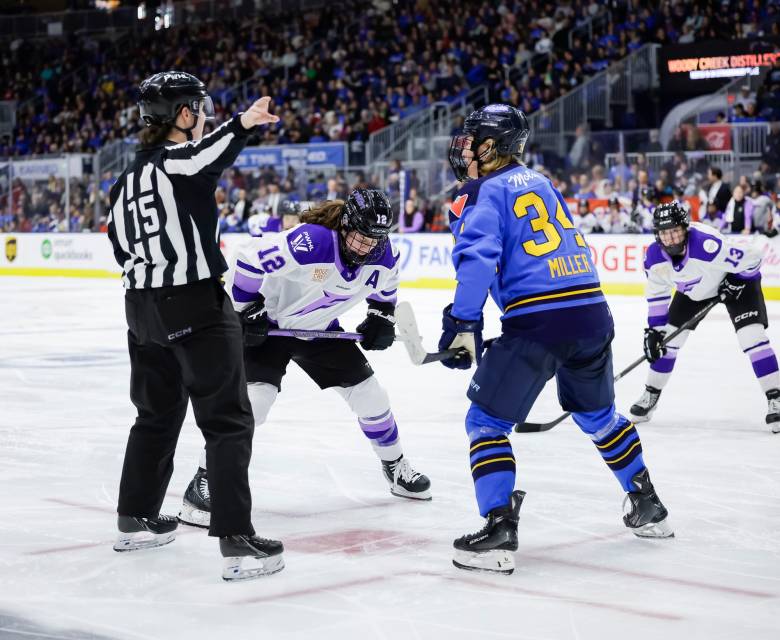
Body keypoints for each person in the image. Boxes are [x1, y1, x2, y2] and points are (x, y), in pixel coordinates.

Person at [440, 104, 673, 576]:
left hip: (538, 322)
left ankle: (499, 528)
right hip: (591, 312)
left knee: (485, 422)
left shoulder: (480, 190)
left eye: (472, 139)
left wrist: (463, 321)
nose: (463, 147)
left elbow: (478, 259)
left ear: (491, 145)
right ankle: (647, 503)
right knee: (599, 416)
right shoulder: (541, 181)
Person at [106, 70, 284, 581]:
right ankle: (236, 539)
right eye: (197, 108)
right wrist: (245, 122)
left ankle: (135, 517)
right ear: (183, 114)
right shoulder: (177, 160)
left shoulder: (123, 181)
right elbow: (210, 153)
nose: (202, 114)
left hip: (140, 308)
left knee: (155, 415)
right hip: (194, 305)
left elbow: (119, 246)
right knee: (228, 420)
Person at [176, 188, 431, 529]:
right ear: (345, 226)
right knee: (254, 405)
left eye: (375, 239)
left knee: (372, 396)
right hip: (270, 328)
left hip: (320, 330)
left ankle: (396, 467)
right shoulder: (313, 242)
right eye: (360, 237)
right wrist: (244, 310)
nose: (366, 247)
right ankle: (204, 482)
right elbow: (249, 256)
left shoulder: (382, 255)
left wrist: (381, 318)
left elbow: (386, 291)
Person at [629, 202, 780, 430]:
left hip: (737, 283)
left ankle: (775, 397)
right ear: (657, 234)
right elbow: (658, 298)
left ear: (685, 228)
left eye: (675, 231)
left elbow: (754, 258)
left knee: (752, 338)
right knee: (666, 341)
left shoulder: (706, 245)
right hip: (692, 290)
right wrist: (654, 332)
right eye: (664, 233)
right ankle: (651, 393)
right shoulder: (653, 258)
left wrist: (736, 280)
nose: (670, 238)